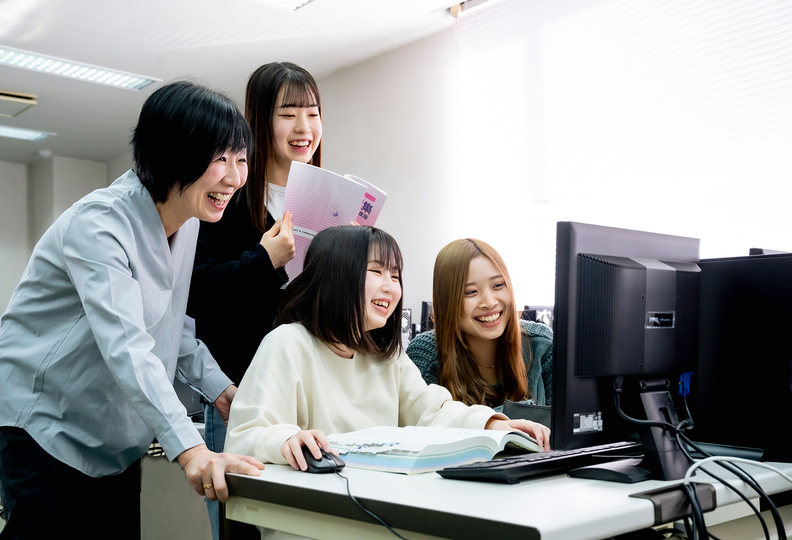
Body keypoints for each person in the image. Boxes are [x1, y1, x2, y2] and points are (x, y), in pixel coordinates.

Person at [0, 80, 265, 539]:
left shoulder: (185, 225)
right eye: (219, 158)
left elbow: (169, 325)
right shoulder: (100, 224)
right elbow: (128, 344)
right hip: (45, 428)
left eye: (241, 160)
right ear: (172, 153)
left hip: (113, 438)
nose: (235, 177)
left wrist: (220, 389)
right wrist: (192, 450)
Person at [224, 226, 551, 476]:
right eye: (377, 271)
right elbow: (245, 434)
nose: (391, 285)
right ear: (337, 275)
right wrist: (284, 439)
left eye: (395, 275)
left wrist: (493, 424)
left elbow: (432, 413)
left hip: (380, 509)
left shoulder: (385, 356)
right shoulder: (288, 344)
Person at [186, 61, 322, 539]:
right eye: (288, 113)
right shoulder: (226, 194)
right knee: (243, 526)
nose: (303, 127)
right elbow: (198, 294)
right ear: (258, 121)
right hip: (240, 395)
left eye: (312, 112)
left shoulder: (326, 201)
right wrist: (265, 261)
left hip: (310, 396)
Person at [406, 239, 554, 411]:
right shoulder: (426, 354)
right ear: (446, 301)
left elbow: (564, 425)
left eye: (498, 285)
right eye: (471, 292)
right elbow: (424, 429)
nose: (489, 302)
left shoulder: (541, 345)